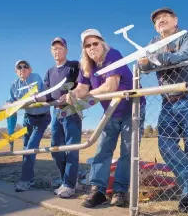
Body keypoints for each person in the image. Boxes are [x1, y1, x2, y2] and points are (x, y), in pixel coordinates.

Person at [61, 29, 146, 208]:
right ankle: (97, 190)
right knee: (102, 151)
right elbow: (82, 88)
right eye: (87, 45)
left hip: (132, 109)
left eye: (95, 43)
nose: (92, 48)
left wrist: (86, 96)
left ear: (102, 43)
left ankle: (120, 191)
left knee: (127, 152)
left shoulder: (113, 55)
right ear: (84, 49)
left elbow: (110, 86)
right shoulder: (87, 66)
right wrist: (73, 94)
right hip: (111, 112)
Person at [138, 7, 188, 213]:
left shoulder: (185, 35)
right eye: (157, 20)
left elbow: (184, 56)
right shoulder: (152, 44)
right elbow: (144, 67)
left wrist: (158, 59)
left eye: (165, 17)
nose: (161, 21)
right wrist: (144, 63)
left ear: (175, 20)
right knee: (165, 144)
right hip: (168, 101)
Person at [42, 37, 82, 198]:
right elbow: (46, 94)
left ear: (66, 50)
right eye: (54, 49)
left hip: (71, 110)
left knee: (71, 148)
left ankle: (69, 185)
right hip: (56, 111)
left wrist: (70, 94)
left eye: (60, 48)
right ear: (52, 52)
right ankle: (69, 180)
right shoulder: (50, 72)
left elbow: (82, 84)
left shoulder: (73, 66)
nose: (57, 51)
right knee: (55, 148)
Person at [8, 60, 51, 192]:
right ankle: (29, 178)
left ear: (30, 69)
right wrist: (8, 103)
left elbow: (32, 95)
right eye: (19, 67)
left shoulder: (35, 77)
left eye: (25, 66)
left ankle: (25, 181)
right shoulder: (14, 85)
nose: (22, 69)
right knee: (25, 148)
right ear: (16, 71)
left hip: (42, 117)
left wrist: (21, 101)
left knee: (31, 147)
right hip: (28, 119)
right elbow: (12, 100)